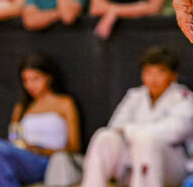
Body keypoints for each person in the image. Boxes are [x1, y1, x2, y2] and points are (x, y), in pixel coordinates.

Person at [0, 53, 80, 187]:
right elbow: (13, 138)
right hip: (21, 156)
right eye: (26, 80)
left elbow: (74, 146)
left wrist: (41, 150)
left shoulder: (64, 103)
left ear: (48, 77)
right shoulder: (21, 108)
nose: (30, 85)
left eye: (35, 79)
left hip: (48, 161)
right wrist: (19, 145)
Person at [81, 46, 193, 187]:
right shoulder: (135, 96)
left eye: (159, 72)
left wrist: (131, 130)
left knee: (146, 140)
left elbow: (175, 132)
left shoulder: (184, 97)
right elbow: (115, 127)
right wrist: (139, 131)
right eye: (148, 72)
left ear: (173, 75)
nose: (153, 79)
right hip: (132, 163)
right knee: (104, 136)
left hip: (172, 164)